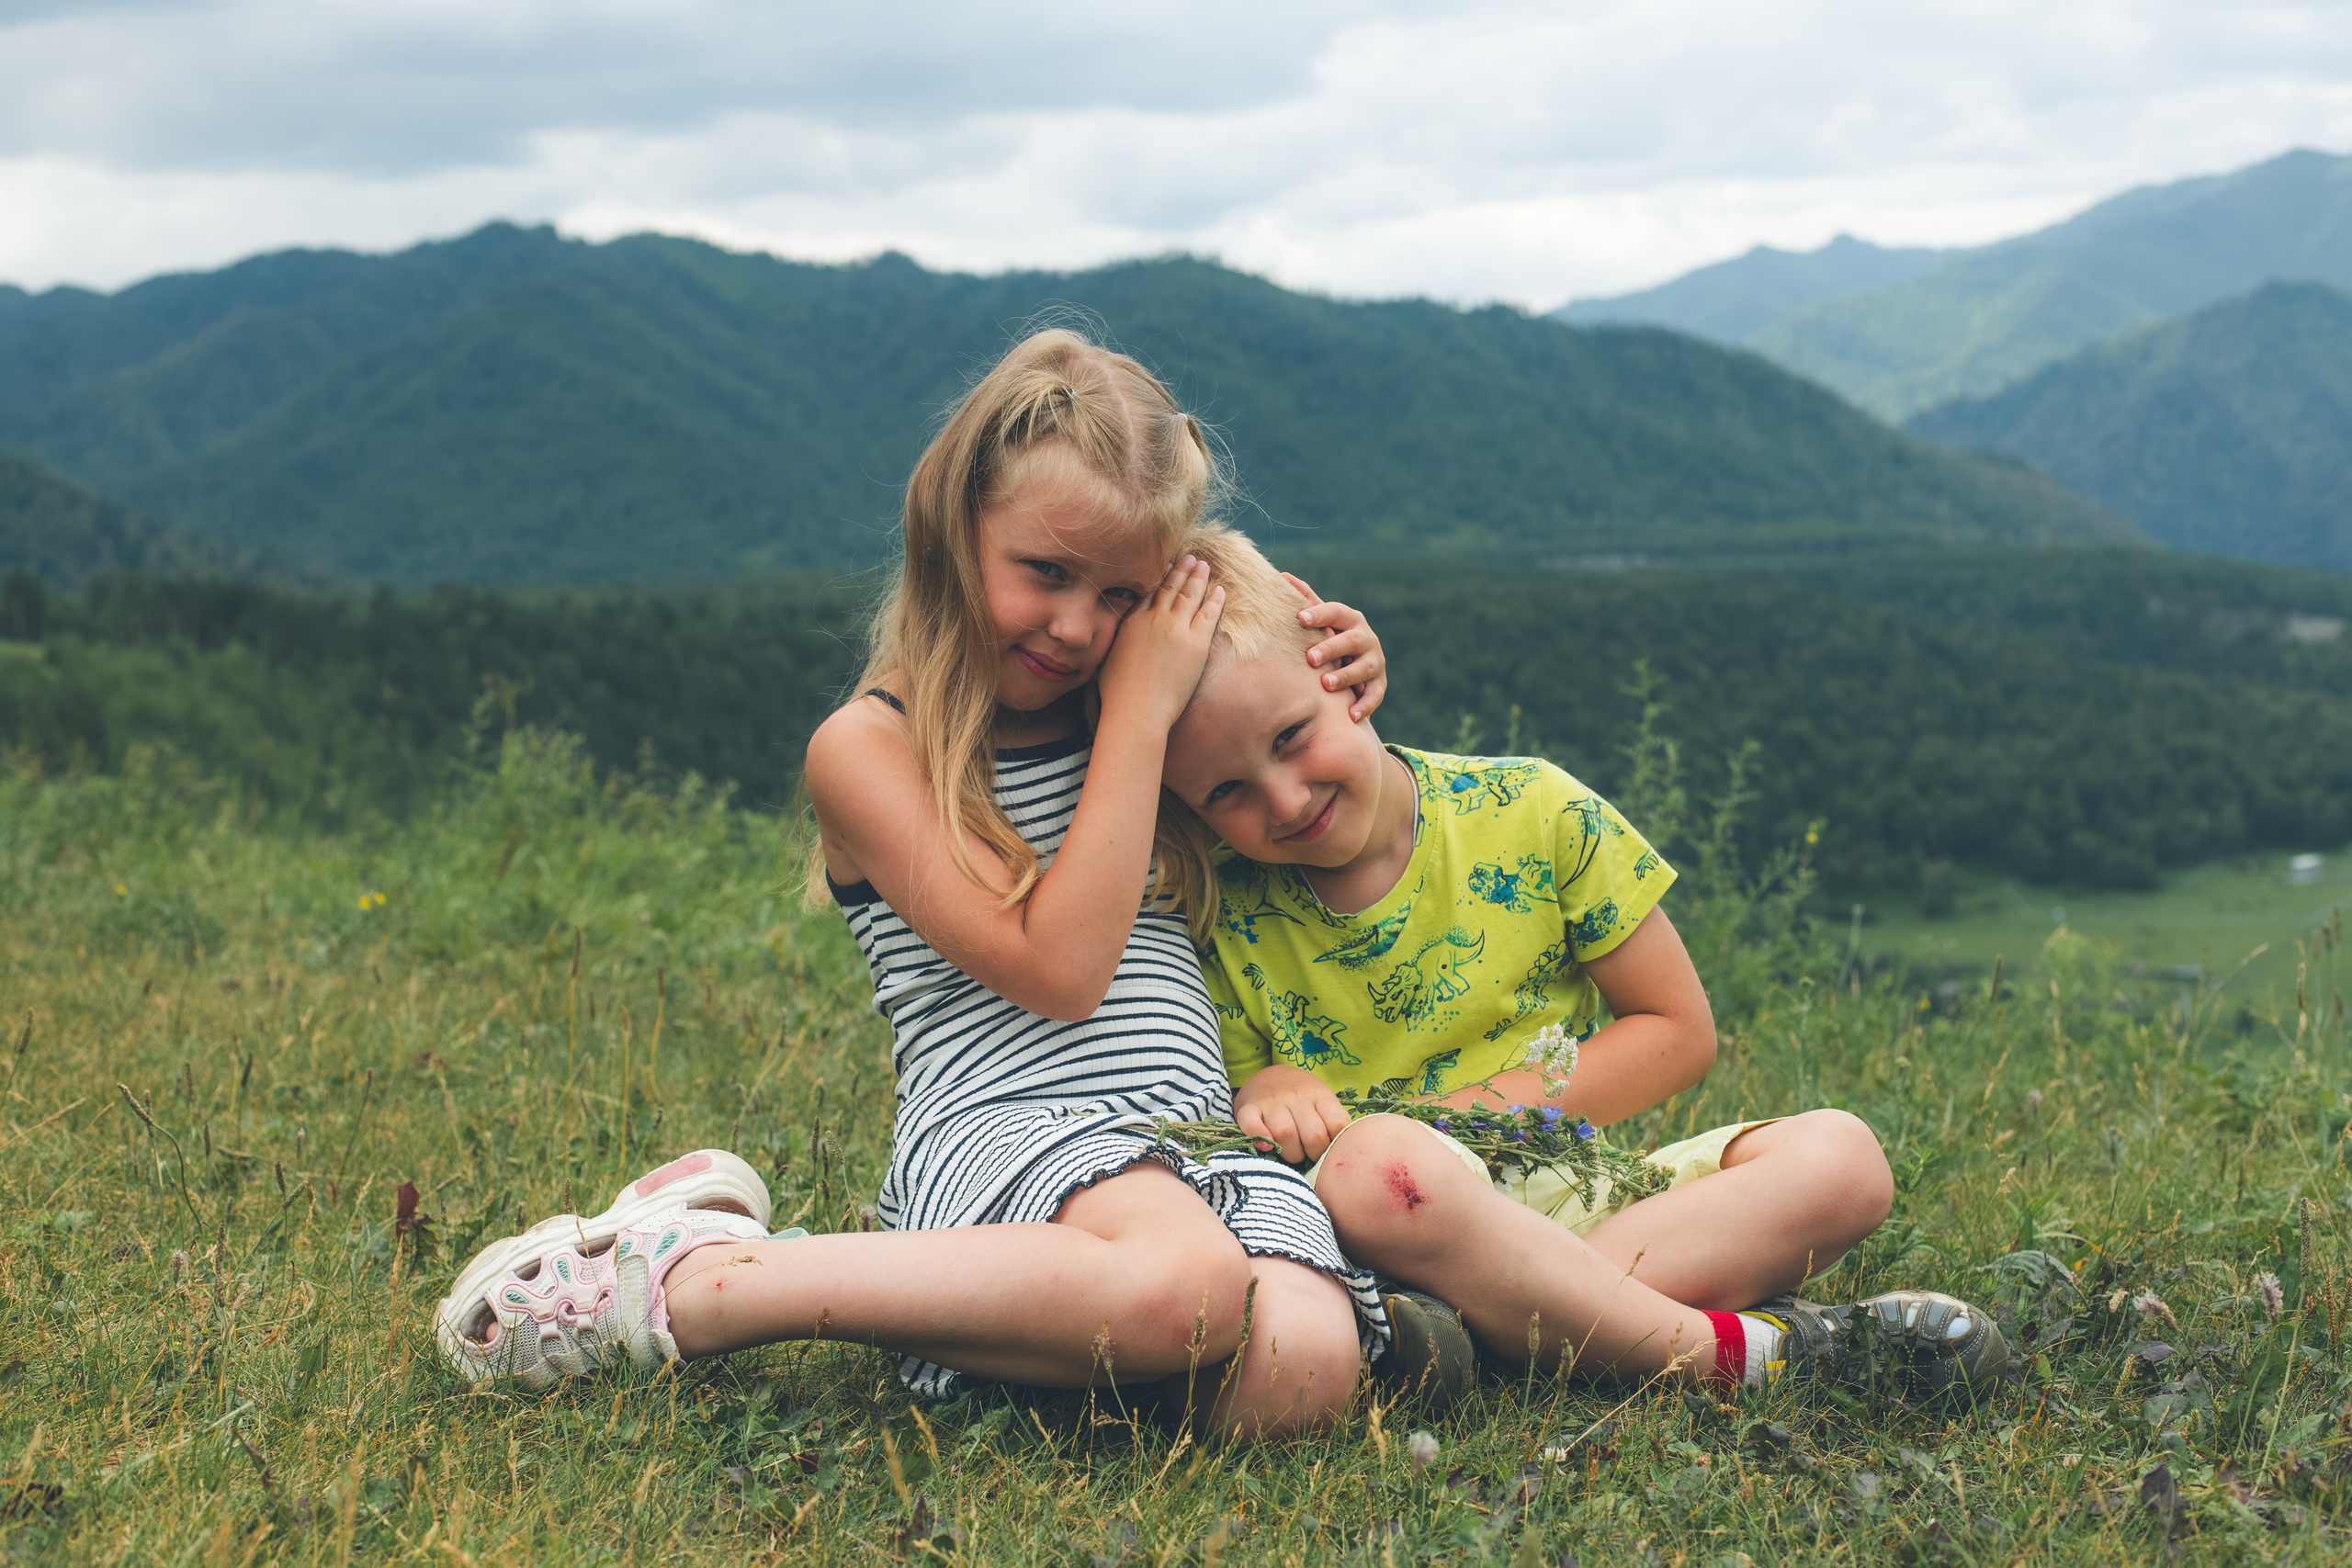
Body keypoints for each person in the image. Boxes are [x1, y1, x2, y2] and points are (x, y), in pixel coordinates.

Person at [432, 329, 1397, 1440]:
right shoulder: (872, 750)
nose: (1078, 627)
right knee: (1185, 1292)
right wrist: (1138, 714)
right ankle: (704, 1282)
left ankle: (1039, 1332)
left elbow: (1296, 791)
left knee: (1299, 1374)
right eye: (1046, 573)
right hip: (1009, 1127)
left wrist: (1340, 677)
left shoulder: (1127, 704)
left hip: (1193, 1135)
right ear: (951, 521)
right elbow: (1061, 970)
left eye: (1123, 594)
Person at [1157, 524, 2009, 1400]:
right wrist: (1267, 1091)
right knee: (1376, 1171)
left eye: (1291, 736)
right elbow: (1249, 1121)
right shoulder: (1220, 915)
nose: (1284, 799)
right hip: (1403, 1223)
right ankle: (1728, 1347)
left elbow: (1678, 1032)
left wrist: (1461, 1117)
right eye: (1225, 791)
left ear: (1336, 658)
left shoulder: (1535, 809)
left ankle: (1500, 1332)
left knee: (1844, 1157)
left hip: (1588, 1194)